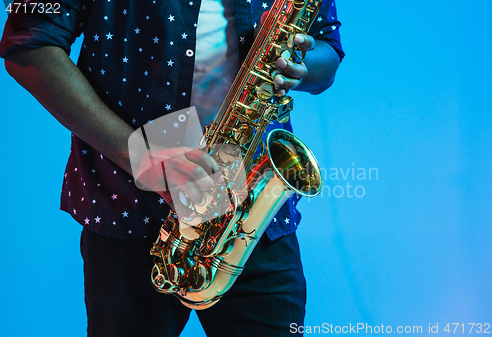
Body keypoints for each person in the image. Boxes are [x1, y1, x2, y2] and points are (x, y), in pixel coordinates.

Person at [1, 0, 344, 335]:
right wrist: (140, 155)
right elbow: (29, 44)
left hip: (252, 216)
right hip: (128, 206)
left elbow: (327, 48)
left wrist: (297, 62)